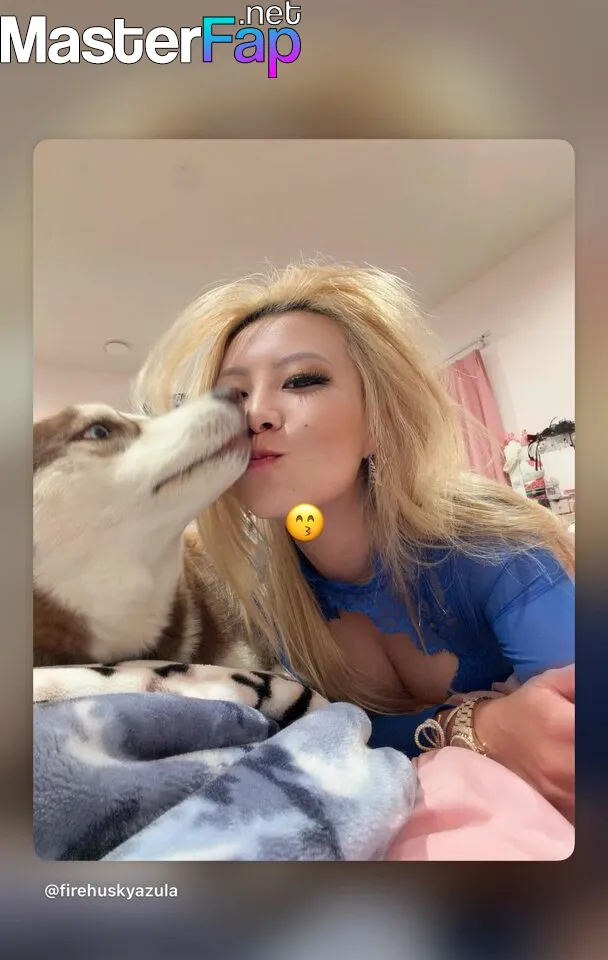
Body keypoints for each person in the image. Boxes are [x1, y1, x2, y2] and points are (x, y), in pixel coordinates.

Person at [133, 263, 575, 820]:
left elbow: (571, 724)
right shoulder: (267, 598)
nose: (255, 414)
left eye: (301, 380)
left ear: (377, 421)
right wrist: (474, 725)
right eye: (233, 395)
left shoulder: (494, 549)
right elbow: (326, 738)